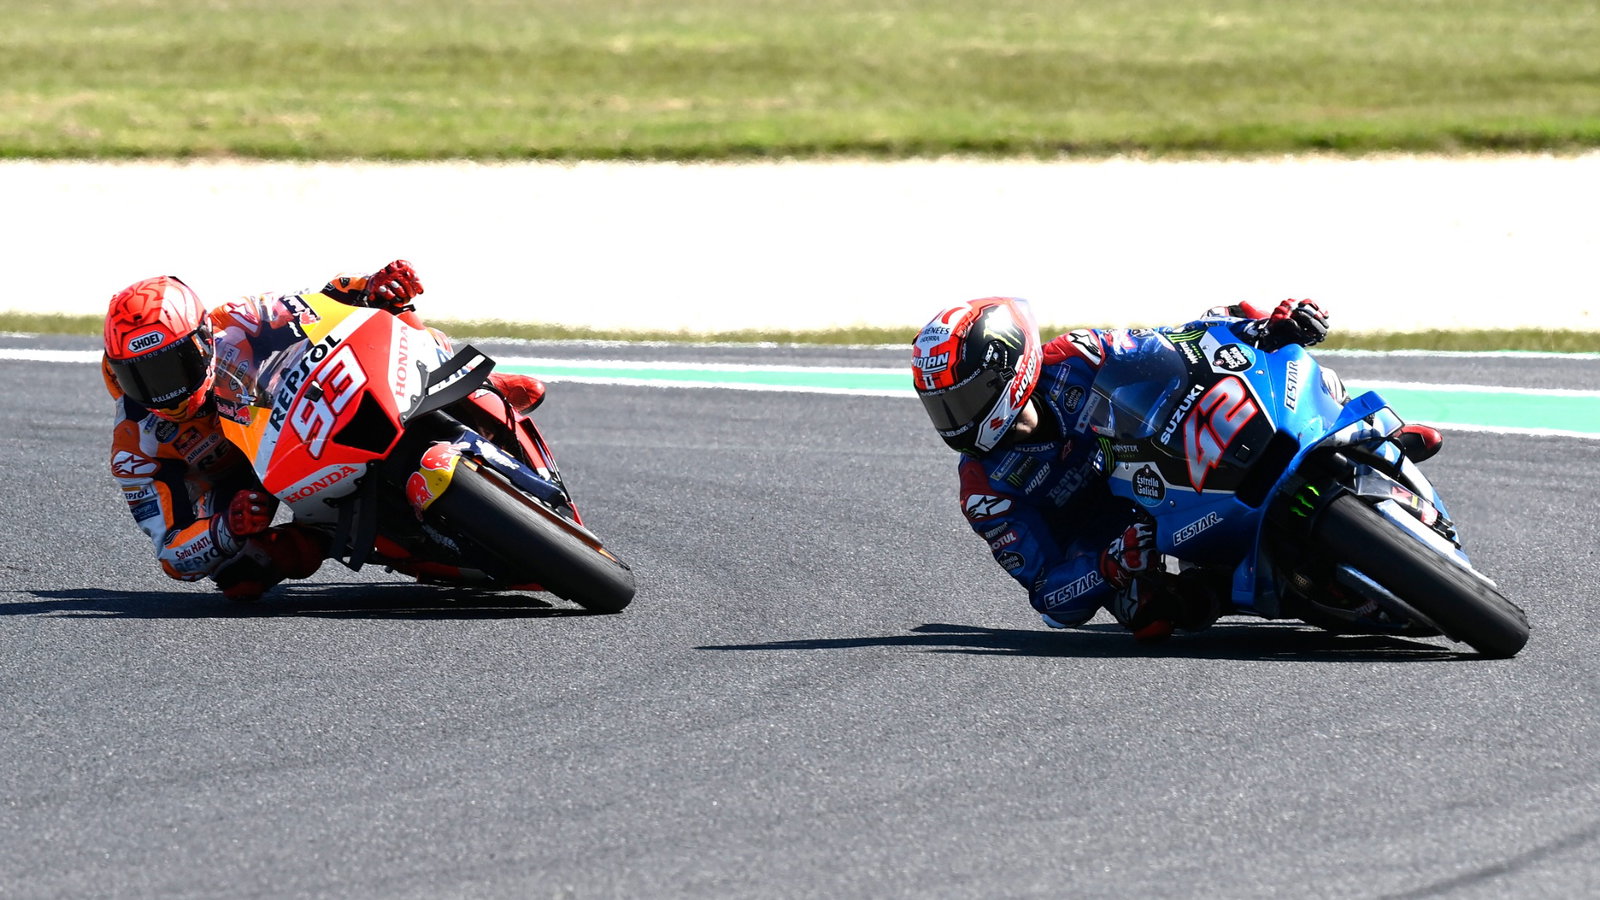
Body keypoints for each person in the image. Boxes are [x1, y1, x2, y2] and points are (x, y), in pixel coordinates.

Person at [911, 296, 1443, 641]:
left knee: (1277, 361)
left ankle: (1373, 433)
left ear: (1009, 367)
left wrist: (1262, 325)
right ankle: (1258, 587)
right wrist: (1108, 566)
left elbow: (1178, 343)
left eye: (962, 400)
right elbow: (1049, 596)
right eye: (942, 408)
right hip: (1126, 537)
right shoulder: (984, 489)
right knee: (1159, 615)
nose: (956, 421)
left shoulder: (1078, 354)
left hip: (1168, 459)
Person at [102, 260, 550, 602]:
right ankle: (344, 536)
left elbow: (327, 300)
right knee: (240, 578)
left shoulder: (241, 319)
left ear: (202, 340)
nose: (163, 392)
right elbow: (172, 553)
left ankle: (476, 386)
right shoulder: (134, 445)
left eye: (171, 368)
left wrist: (375, 287)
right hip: (244, 489)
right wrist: (225, 527)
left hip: (290, 423)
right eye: (140, 378)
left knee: (392, 319)